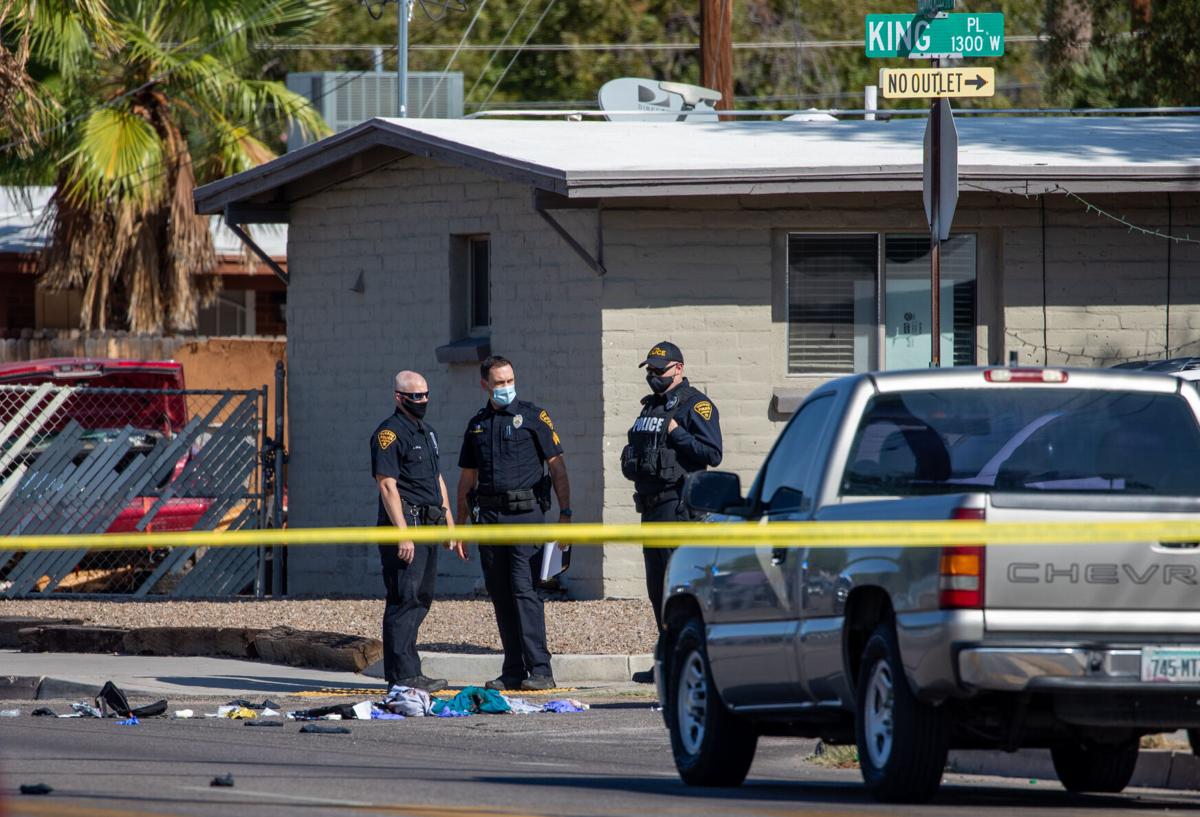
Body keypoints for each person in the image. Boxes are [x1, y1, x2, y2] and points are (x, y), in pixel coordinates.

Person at [457, 355, 572, 692]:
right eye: (499, 383)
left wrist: (566, 515)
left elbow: (558, 467)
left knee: (525, 592)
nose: (506, 387)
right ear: (485, 386)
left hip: (526, 517)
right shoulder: (477, 425)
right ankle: (512, 670)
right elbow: (466, 481)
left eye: (510, 381)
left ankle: (540, 669)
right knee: (500, 594)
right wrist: (460, 528)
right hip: (490, 520)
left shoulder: (534, 417)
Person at [622, 341, 722, 683]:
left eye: (659, 370)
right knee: (656, 588)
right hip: (650, 506)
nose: (653, 376)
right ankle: (667, 657)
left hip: (678, 506)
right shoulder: (649, 408)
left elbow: (712, 453)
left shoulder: (697, 406)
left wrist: (677, 433)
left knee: (677, 586)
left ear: (678, 368)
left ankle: (686, 657)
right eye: (649, 370)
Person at [370, 370, 467, 694]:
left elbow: (436, 479)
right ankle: (401, 675)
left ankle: (411, 670)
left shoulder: (427, 432)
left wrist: (450, 524)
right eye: (415, 396)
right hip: (406, 525)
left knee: (421, 597)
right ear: (399, 397)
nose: (422, 400)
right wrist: (403, 533)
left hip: (428, 524)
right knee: (404, 598)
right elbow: (387, 485)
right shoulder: (389, 434)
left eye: (426, 395)